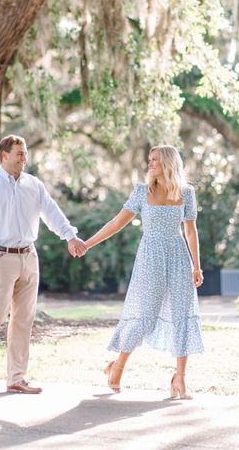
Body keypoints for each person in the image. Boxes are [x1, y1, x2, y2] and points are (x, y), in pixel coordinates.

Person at [0, 134, 87, 394]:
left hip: (29, 256)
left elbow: (52, 213)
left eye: (25, 153)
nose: (24, 158)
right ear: (4, 155)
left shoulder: (34, 185)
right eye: (19, 153)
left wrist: (70, 236)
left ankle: (16, 377)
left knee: (23, 319)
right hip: (2, 258)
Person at [83, 144, 204, 398]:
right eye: (149, 159)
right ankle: (118, 365)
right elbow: (116, 223)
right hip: (150, 258)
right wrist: (87, 243)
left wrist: (197, 265)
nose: (149, 164)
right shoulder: (142, 191)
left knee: (183, 315)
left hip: (179, 258)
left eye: (155, 160)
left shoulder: (186, 192)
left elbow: (190, 231)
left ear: (168, 163)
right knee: (144, 315)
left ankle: (180, 379)